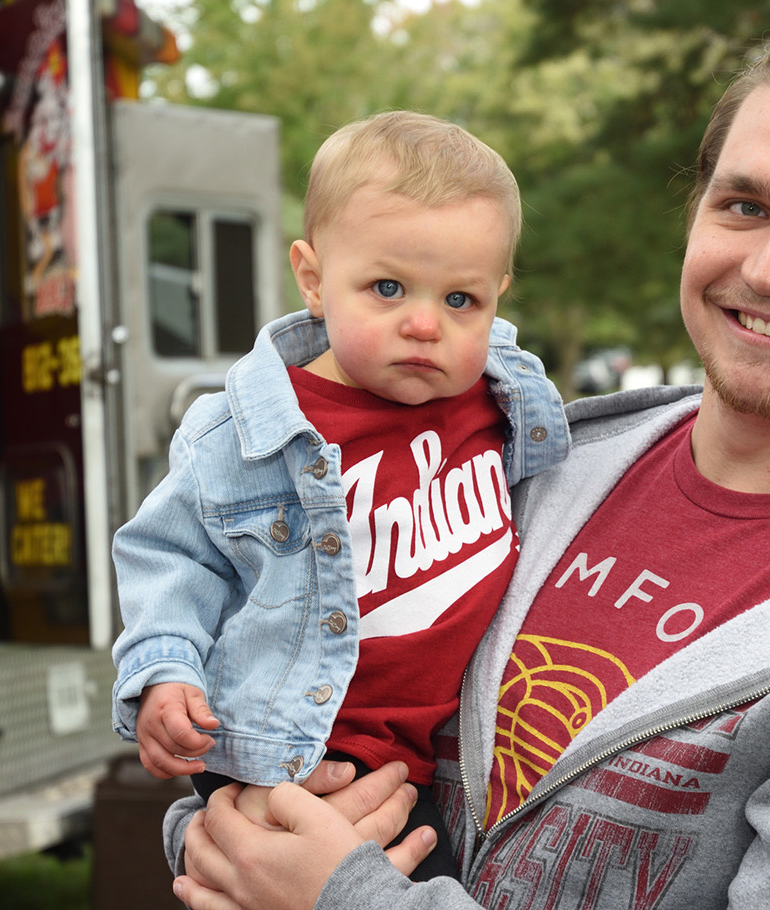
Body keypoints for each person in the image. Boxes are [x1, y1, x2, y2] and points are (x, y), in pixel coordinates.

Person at [167, 17, 770, 910]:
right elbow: (291, 679)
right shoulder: (529, 468)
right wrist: (225, 833)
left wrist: (342, 897)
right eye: (745, 205)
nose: (769, 269)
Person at [109, 110, 570, 881]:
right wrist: (164, 674)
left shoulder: (501, 407)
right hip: (283, 756)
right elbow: (168, 559)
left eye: (462, 301)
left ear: (499, 295)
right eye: (387, 288)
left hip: (428, 768)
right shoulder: (244, 435)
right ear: (314, 278)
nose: (424, 324)